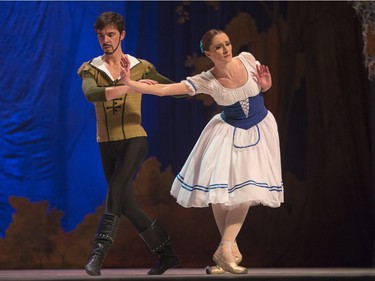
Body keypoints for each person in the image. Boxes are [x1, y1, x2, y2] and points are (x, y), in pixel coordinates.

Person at [119, 29, 284, 274]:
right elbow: (166, 90)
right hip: (229, 132)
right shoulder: (207, 80)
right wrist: (130, 84)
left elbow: (261, 87)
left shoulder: (248, 60)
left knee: (246, 192)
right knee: (219, 193)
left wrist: (265, 87)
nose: (226, 49)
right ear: (208, 53)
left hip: (260, 129)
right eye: (218, 47)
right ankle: (227, 251)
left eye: (227, 43)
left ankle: (225, 250)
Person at [77, 11, 179, 276]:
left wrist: (206, 84)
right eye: (101, 36)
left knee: (115, 191)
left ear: (122, 35)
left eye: (110, 34)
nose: (105, 40)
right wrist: (129, 87)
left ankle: (97, 255)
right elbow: (91, 94)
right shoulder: (90, 69)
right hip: (105, 143)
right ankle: (166, 254)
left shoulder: (140, 66)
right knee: (127, 204)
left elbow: (173, 88)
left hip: (135, 138)